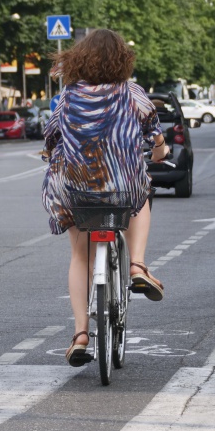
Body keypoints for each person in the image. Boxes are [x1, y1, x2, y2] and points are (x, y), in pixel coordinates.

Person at [41, 29, 170, 367]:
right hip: (121, 187)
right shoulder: (132, 93)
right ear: (122, 60)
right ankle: (138, 265)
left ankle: (81, 334)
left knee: (80, 256)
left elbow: (51, 136)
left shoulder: (68, 96)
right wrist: (159, 150)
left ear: (79, 60)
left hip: (77, 191)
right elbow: (155, 132)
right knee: (141, 196)